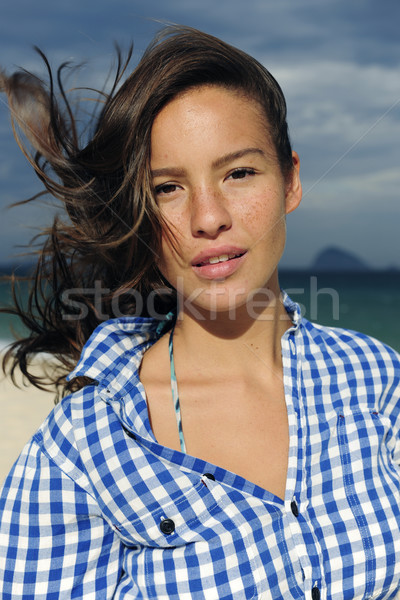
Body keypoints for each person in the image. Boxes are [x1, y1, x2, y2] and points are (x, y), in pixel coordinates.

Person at [0, 25, 399, 600]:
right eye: (168, 188)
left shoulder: (374, 379)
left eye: (238, 172)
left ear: (290, 180)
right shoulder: (85, 448)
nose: (207, 217)